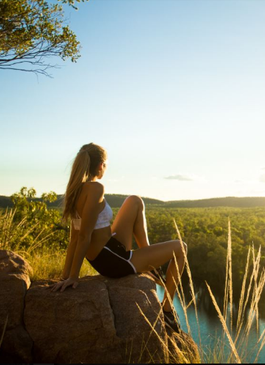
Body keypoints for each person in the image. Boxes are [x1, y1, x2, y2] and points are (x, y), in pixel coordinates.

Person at [51, 142, 187, 333]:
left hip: (110, 248)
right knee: (181, 248)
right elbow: (83, 236)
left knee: (134, 201)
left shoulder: (77, 190)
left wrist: (65, 275)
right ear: (100, 165)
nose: (105, 168)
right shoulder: (96, 189)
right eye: (105, 164)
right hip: (113, 260)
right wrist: (73, 277)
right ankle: (166, 309)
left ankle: (150, 263)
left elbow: (74, 238)